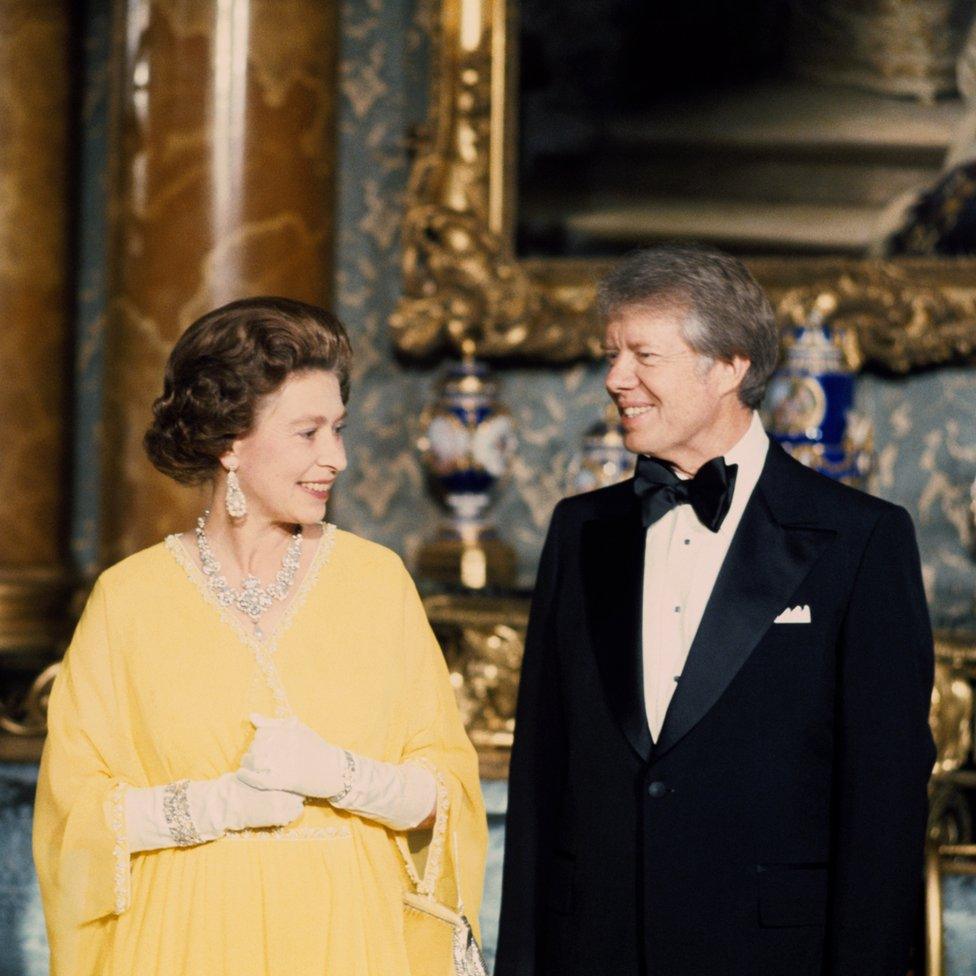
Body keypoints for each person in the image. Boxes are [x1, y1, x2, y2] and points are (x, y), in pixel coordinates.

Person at [494, 246, 935, 976]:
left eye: (643, 356)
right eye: (612, 355)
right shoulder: (580, 532)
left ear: (728, 366)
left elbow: (882, 813)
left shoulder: (862, 541)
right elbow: (541, 779)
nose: (614, 380)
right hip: (593, 950)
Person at [33, 297, 486, 976]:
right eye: (308, 433)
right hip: (183, 940)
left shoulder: (377, 582)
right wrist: (216, 806)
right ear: (229, 442)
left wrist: (343, 776)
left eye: (339, 428)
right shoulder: (129, 600)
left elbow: (448, 796)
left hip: (348, 937)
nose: (335, 457)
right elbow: (75, 819)